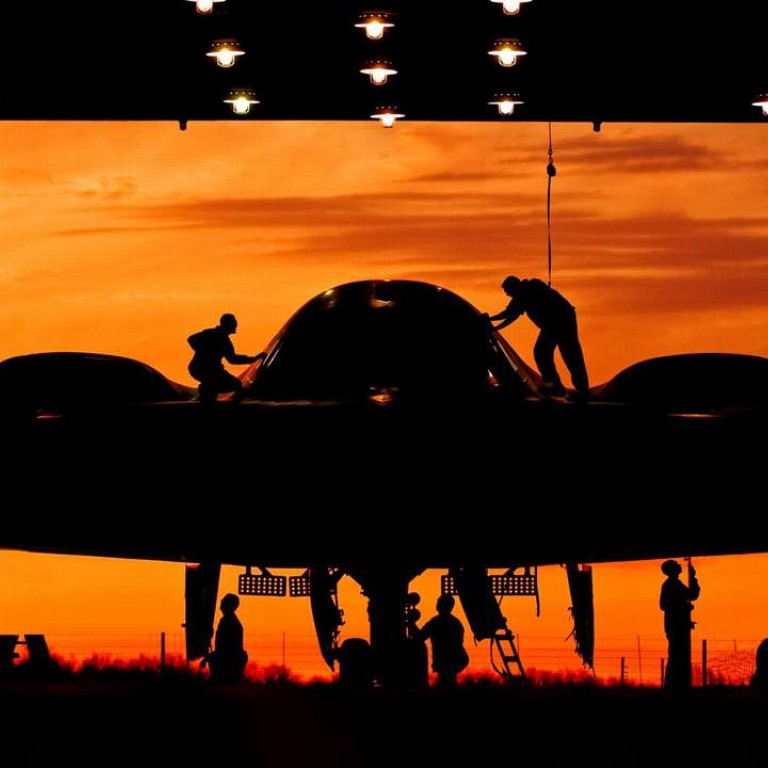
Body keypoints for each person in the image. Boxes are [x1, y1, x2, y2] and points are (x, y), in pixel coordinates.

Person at [487, 275, 589, 397]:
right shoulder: (524, 293)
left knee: (558, 352)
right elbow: (511, 314)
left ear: (514, 287)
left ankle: (561, 386)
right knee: (561, 352)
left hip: (559, 320)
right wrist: (493, 324)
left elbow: (510, 314)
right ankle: (563, 386)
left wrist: (492, 323)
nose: (507, 295)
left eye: (508, 292)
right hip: (556, 321)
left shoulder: (528, 290)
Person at [187, 313, 262, 403]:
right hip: (208, 370)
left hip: (199, 369)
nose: (236, 325)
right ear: (230, 324)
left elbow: (191, 339)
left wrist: (200, 349)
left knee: (228, 385)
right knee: (236, 385)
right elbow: (232, 359)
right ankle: (207, 389)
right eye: (234, 323)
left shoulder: (212, 334)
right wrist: (252, 359)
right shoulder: (220, 339)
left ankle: (207, 389)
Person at [660, 559, 700, 692]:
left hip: (676, 625)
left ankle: (675, 685)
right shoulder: (671, 585)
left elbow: (691, 595)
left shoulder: (674, 584)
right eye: (677, 565)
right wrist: (682, 607)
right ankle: (674, 686)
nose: (679, 565)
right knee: (677, 656)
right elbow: (665, 605)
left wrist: (693, 578)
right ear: (672, 570)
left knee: (678, 655)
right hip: (675, 626)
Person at [417, 594, 469, 687]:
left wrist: (411, 623)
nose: (437, 604)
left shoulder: (437, 621)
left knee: (445, 685)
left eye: (439, 602)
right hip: (456, 661)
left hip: (445, 662)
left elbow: (420, 637)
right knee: (449, 683)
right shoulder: (456, 622)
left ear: (442, 605)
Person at [207, 593, 248, 684]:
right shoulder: (229, 620)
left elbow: (226, 646)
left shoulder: (228, 622)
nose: (221, 603)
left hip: (229, 661)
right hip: (230, 659)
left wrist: (213, 657)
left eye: (224, 601)